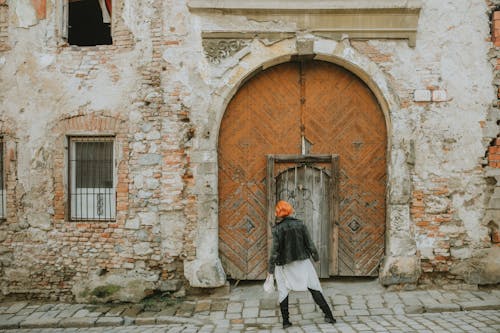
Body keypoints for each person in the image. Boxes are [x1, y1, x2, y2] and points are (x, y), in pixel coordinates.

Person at [268, 200, 336, 329]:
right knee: (314, 287)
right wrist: (316, 258)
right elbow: (309, 243)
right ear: (290, 210)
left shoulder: (277, 229)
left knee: (283, 291)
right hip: (303, 262)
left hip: (284, 264)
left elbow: (274, 251)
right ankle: (329, 316)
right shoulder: (300, 224)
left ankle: (286, 322)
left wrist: (270, 270)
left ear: (278, 213)